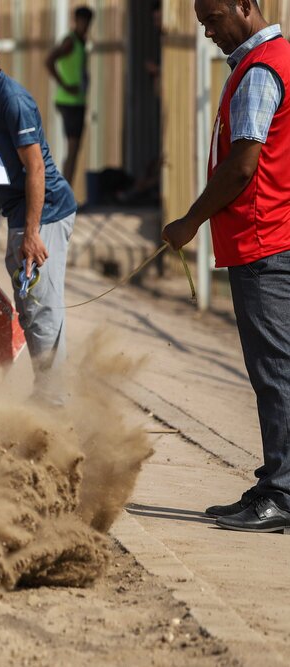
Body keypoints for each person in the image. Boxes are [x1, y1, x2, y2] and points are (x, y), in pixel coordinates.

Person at [162, 0, 290, 533]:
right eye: (203, 23)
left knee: (275, 372)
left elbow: (242, 166)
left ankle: (282, 493)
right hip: (270, 237)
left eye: (214, 19)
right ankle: (275, 481)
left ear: (245, 5)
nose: (209, 32)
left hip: (263, 243)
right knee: (276, 370)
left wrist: (189, 221)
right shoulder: (272, 60)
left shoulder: (261, 69)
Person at [0, 18, 78, 404]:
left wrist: (33, 232)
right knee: (28, 307)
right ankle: (49, 393)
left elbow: (35, 168)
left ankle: (53, 403)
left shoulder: (12, 100)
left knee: (40, 307)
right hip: (17, 213)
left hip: (47, 211)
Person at [46, 6, 94, 188]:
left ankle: (66, 190)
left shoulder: (82, 42)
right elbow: (49, 60)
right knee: (72, 149)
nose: (85, 26)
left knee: (75, 149)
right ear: (76, 21)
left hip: (77, 101)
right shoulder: (70, 42)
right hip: (69, 101)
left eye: (87, 23)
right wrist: (64, 85)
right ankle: (64, 192)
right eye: (82, 22)